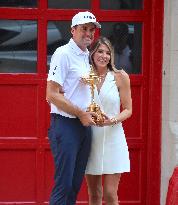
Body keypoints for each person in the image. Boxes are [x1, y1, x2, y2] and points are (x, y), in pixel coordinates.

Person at [46, 11, 101, 205]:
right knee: (64, 185)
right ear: (72, 30)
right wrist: (80, 113)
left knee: (75, 185)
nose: (88, 33)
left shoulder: (87, 55)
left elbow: (79, 90)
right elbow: (51, 94)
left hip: (83, 127)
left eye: (91, 29)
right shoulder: (63, 54)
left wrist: (91, 111)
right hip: (66, 125)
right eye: (84, 29)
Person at [85, 37, 132, 205]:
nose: (104, 56)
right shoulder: (85, 76)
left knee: (111, 194)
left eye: (107, 52)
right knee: (94, 193)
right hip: (90, 138)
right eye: (100, 51)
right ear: (92, 53)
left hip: (114, 136)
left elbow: (128, 109)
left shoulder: (120, 76)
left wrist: (112, 120)